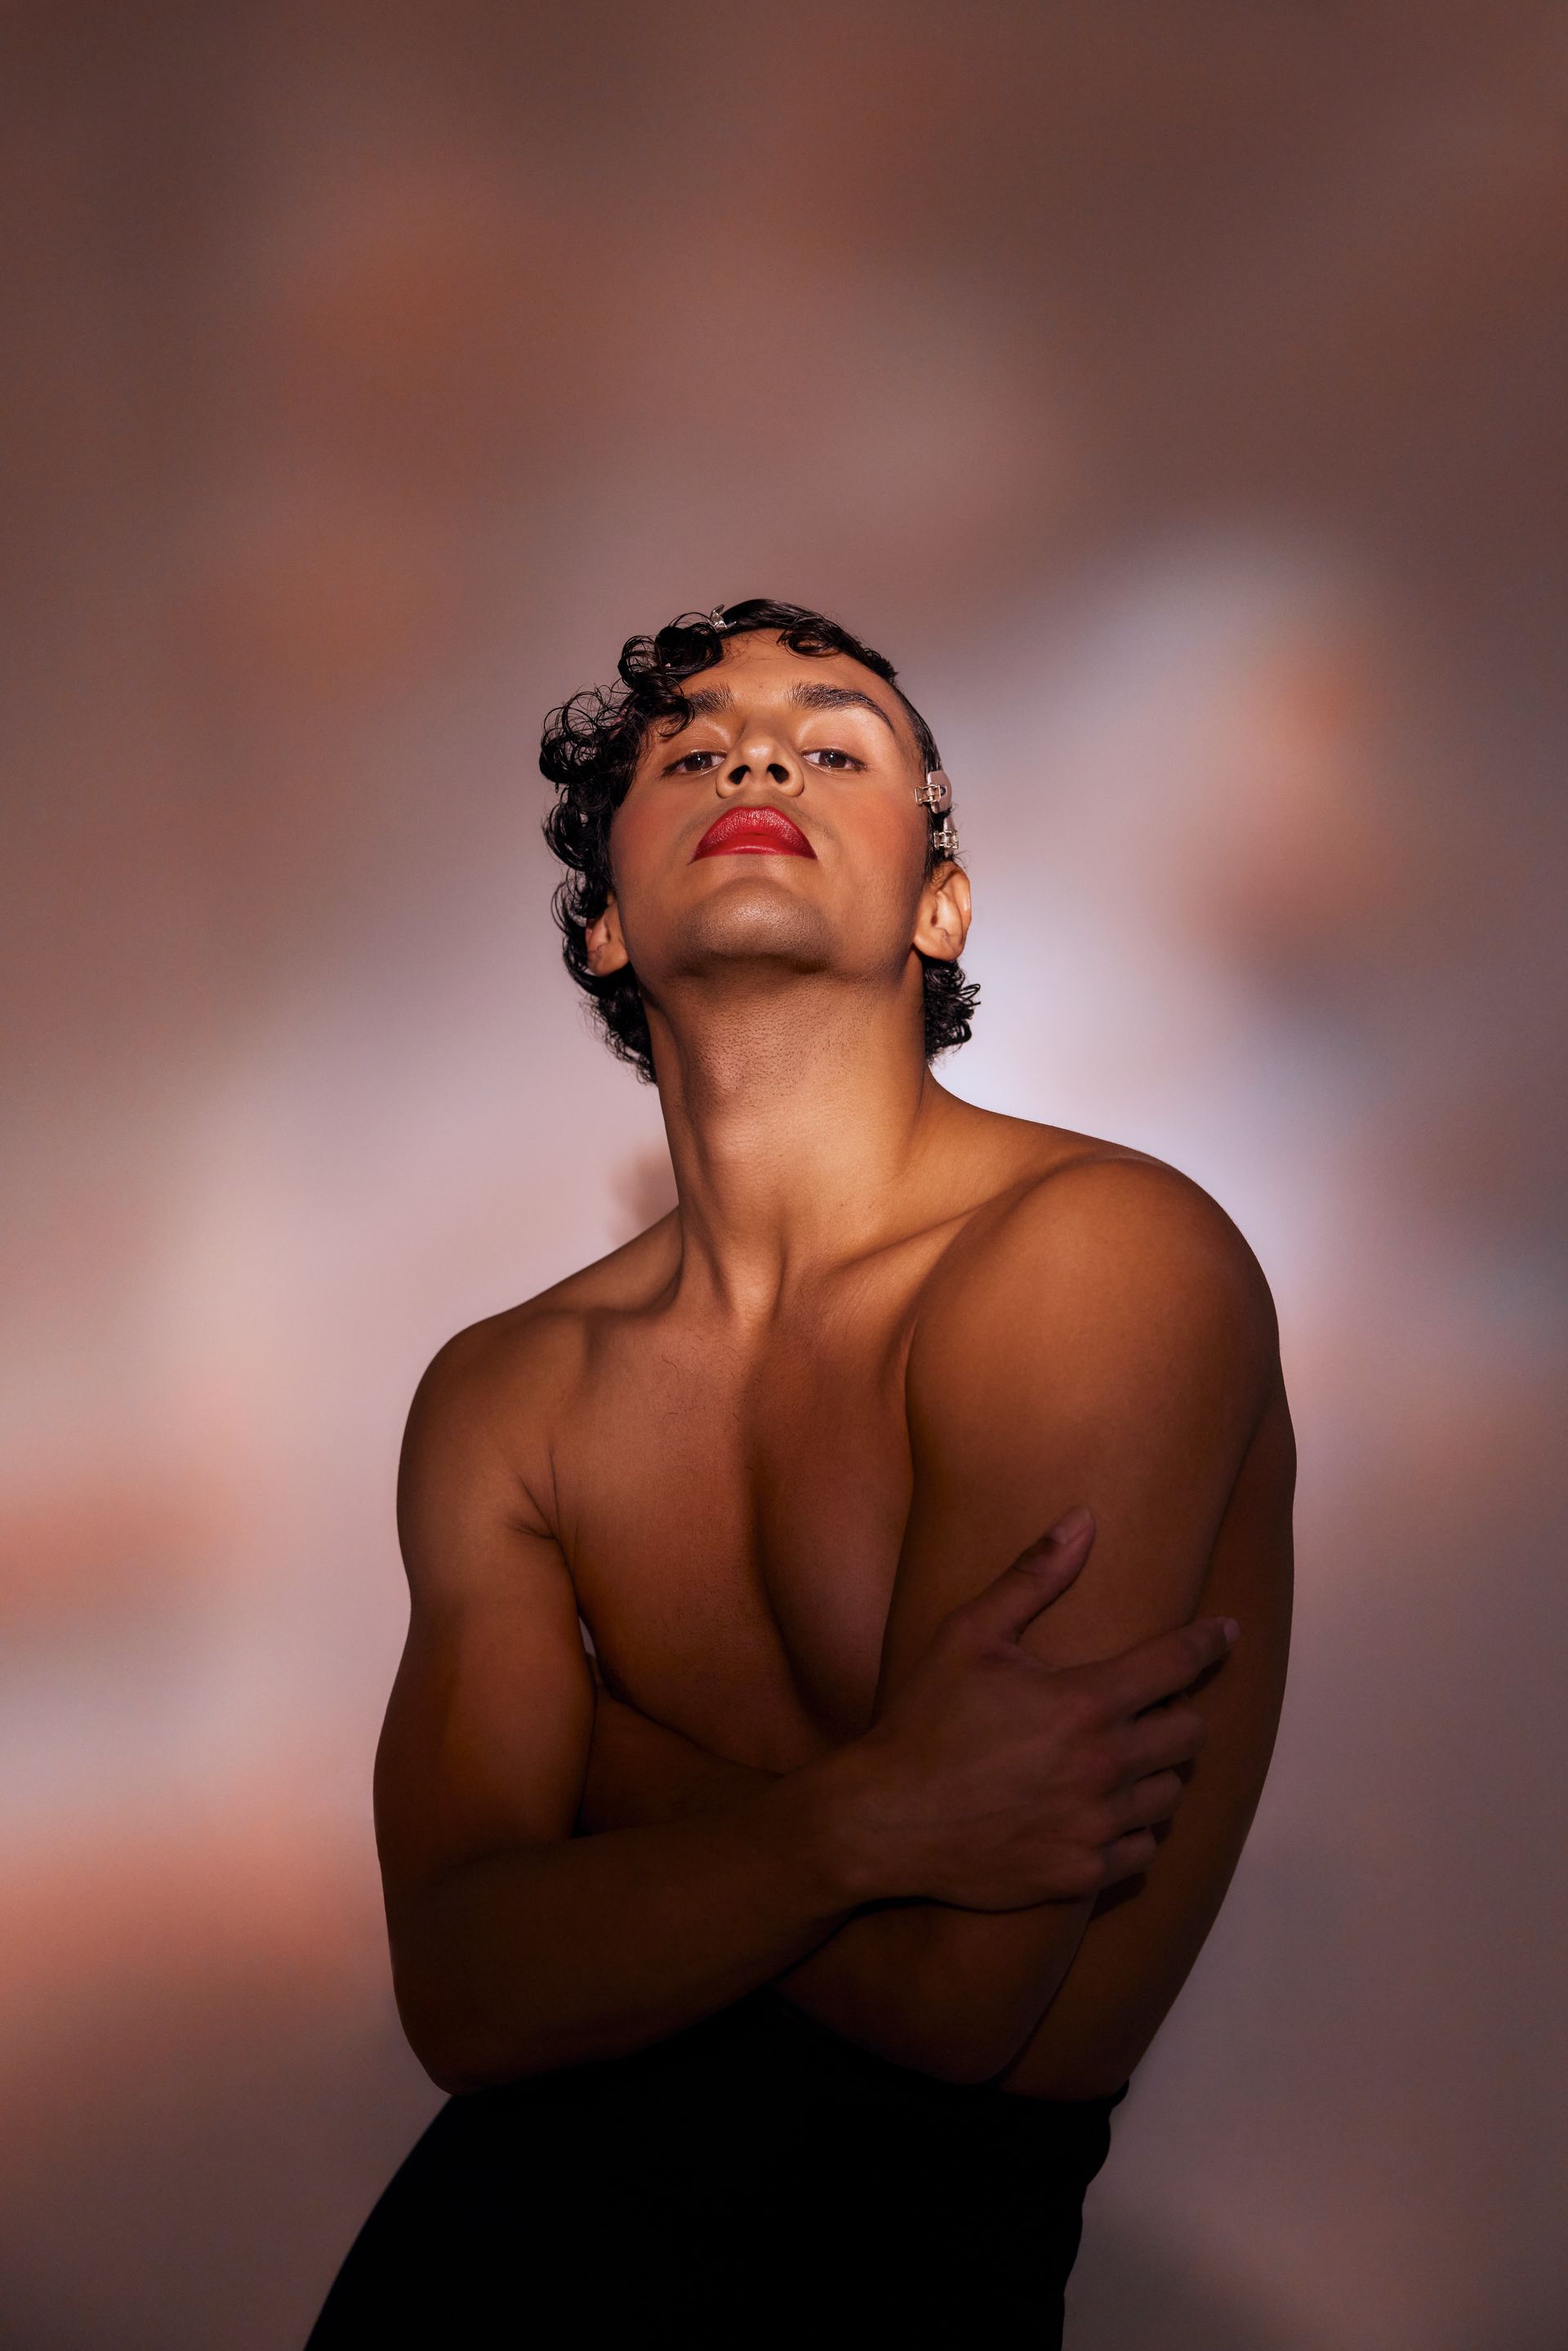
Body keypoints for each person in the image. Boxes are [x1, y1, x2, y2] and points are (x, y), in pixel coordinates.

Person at [305, 599, 1294, 2345]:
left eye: (833, 743)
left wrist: (597, 1784)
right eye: (691, 746)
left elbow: (961, 1995)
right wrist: (865, 1814)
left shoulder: (1103, 1258)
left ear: (939, 902)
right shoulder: (504, 1392)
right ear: (605, 921)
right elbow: (460, 1989)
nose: (754, 750)